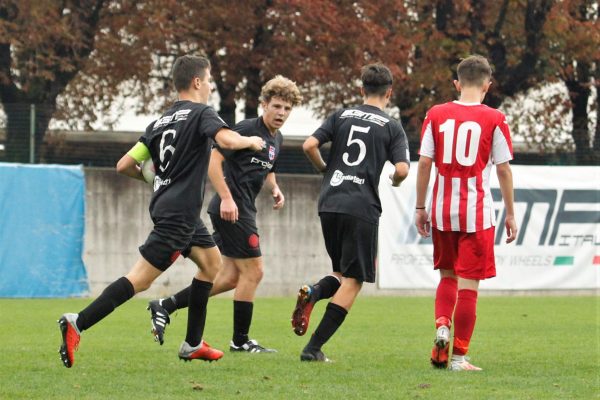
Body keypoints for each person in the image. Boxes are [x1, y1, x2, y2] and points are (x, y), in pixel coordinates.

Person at [57, 55, 265, 368]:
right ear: (197, 82)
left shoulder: (160, 122)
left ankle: (193, 343)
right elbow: (226, 139)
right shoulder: (201, 113)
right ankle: (78, 322)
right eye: (208, 81)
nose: (209, 87)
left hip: (172, 209)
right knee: (139, 280)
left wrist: (157, 180)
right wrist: (250, 140)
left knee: (211, 264)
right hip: (179, 215)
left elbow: (125, 165)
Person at [145, 76, 303, 353]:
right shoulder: (245, 128)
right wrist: (227, 199)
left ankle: (166, 305)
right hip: (232, 209)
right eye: (276, 106)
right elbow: (213, 160)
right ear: (264, 104)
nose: (281, 113)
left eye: (287, 109)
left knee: (230, 277)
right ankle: (240, 341)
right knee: (255, 272)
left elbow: (268, 166)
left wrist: (275, 187)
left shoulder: (277, 139)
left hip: (242, 208)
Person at [291, 63, 410, 362]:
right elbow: (402, 169)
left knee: (341, 271)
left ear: (361, 89)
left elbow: (309, 145)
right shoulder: (391, 126)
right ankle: (313, 348)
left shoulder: (341, 115)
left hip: (329, 201)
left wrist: (324, 170)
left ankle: (315, 292)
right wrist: (395, 180)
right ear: (389, 92)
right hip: (360, 206)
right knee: (354, 280)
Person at [414, 55, 517, 371]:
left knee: (447, 276)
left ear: (457, 84)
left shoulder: (436, 114)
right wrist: (511, 213)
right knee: (470, 284)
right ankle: (458, 357)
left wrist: (421, 207)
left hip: (443, 212)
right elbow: (503, 171)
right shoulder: (495, 119)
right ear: (488, 84)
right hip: (476, 214)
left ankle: (442, 324)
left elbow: (424, 164)